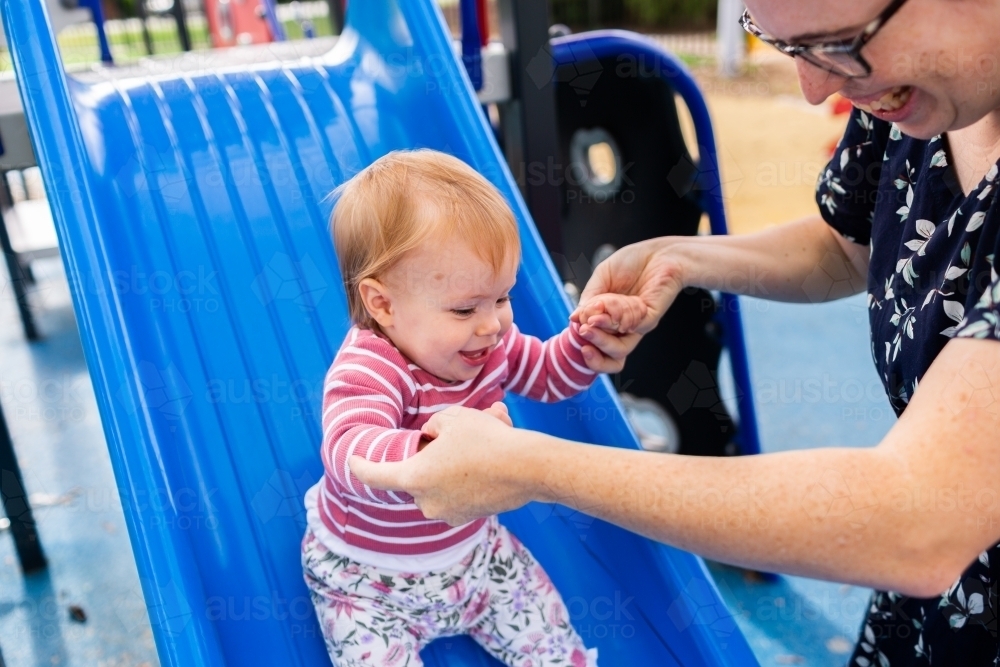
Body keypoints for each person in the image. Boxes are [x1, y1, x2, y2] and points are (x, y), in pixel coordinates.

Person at [350, 0, 1000, 663]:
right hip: (934, 617)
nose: (815, 89)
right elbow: (850, 244)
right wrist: (682, 259)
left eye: (837, 44)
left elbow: (921, 519)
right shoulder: (908, 91)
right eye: (789, 48)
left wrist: (526, 464)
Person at [302, 150, 643, 666]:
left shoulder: (487, 344)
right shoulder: (371, 366)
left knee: (551, 642)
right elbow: (348, 450)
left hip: (475, 560)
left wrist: (586, 346)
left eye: (502, 298)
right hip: (368, 583)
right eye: (465, 308)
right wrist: (432, 450)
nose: (492, 324)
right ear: (383, 304)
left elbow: (549, 374)